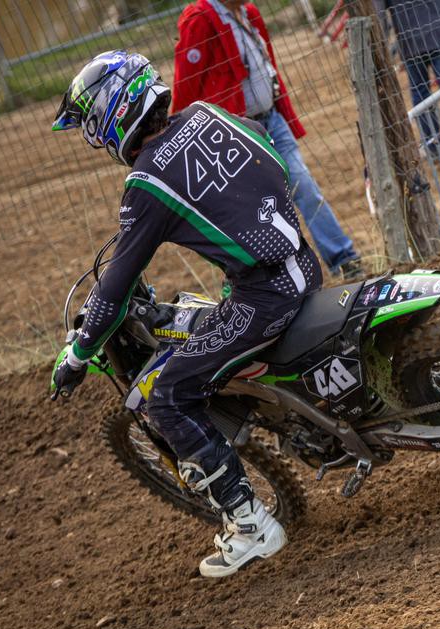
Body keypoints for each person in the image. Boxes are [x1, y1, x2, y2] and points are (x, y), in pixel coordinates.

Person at [49, 51, 323, 578]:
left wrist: (78, 354)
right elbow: (266, 147)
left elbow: (115, 286)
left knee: (167, 395)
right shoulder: (205, 114)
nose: (96, 141)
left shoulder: (146, 184)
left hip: (265, 297)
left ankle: (252, 527)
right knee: (208, 326)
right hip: (300, 264)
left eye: (92, 126)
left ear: (111, 114)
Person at [171, 0, 363, 278]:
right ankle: (278, 277)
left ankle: (344, 259)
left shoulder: (248, 13)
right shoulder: (199, 20)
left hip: (272, 119)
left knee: (304, 186)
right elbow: (186, 83)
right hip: (238, 134)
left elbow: (268, 65)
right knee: (256, 207)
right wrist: (181, 132)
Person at [377, 0, 440, 164]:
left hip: (411, 41)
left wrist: (381, 46)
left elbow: (378, 14)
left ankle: (432, 147)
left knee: (421, 96)